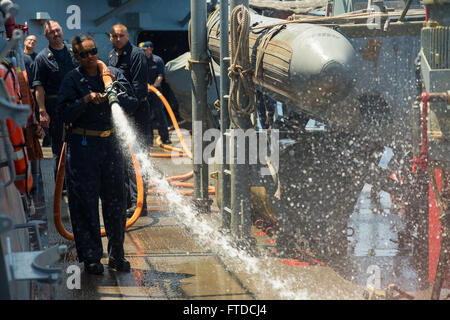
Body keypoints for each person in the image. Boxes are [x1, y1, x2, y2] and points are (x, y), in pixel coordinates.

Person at [57, 34, 138, 274]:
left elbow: (133, 102)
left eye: (93, 51)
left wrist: (115, 90)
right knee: (85, 204)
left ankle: (116, 256)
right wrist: (85, 100)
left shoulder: (112, 74)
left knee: (116, 203)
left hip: (111, 146)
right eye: (84, 54)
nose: (91, 57)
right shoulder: (72, 79)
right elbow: (63, 113)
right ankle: (92, 258)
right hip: (83, 148)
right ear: (76, 57)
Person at [108, 24, 151, 216]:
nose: (118, 39)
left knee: (137, 159)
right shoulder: (111, 56)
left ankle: (140, 204)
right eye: (115, 36)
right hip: (121, 112)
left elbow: (140, 89)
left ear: (127, 36)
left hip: (136, 112)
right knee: (123, 158)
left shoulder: (136, 55)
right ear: (110, 38)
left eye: (122, 36)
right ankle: (126, 201)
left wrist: (127, 111)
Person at [32, 20, 77, 176]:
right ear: (46, 35)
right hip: (55, 106)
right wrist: (42, 111)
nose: (56, 34)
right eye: (52, 32)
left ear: (62, 31)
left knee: (78, 145)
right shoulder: (42, 58)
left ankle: (76, 178)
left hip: (76, 104)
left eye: (57, 30)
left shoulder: (73, 52)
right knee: (59, 147)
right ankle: (61, 185)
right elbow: (39, 87)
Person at [139, 41, 171, 144]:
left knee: (159, 114)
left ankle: (165, 138)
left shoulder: (157, 60)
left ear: (150, 48)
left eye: (144, 50)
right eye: (142, 50)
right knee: (146, 116)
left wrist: (152, 87)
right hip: (144, 92)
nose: (143, 52)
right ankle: (149, 140)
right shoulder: (140, 60)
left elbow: (160, 76)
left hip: (156, 92)